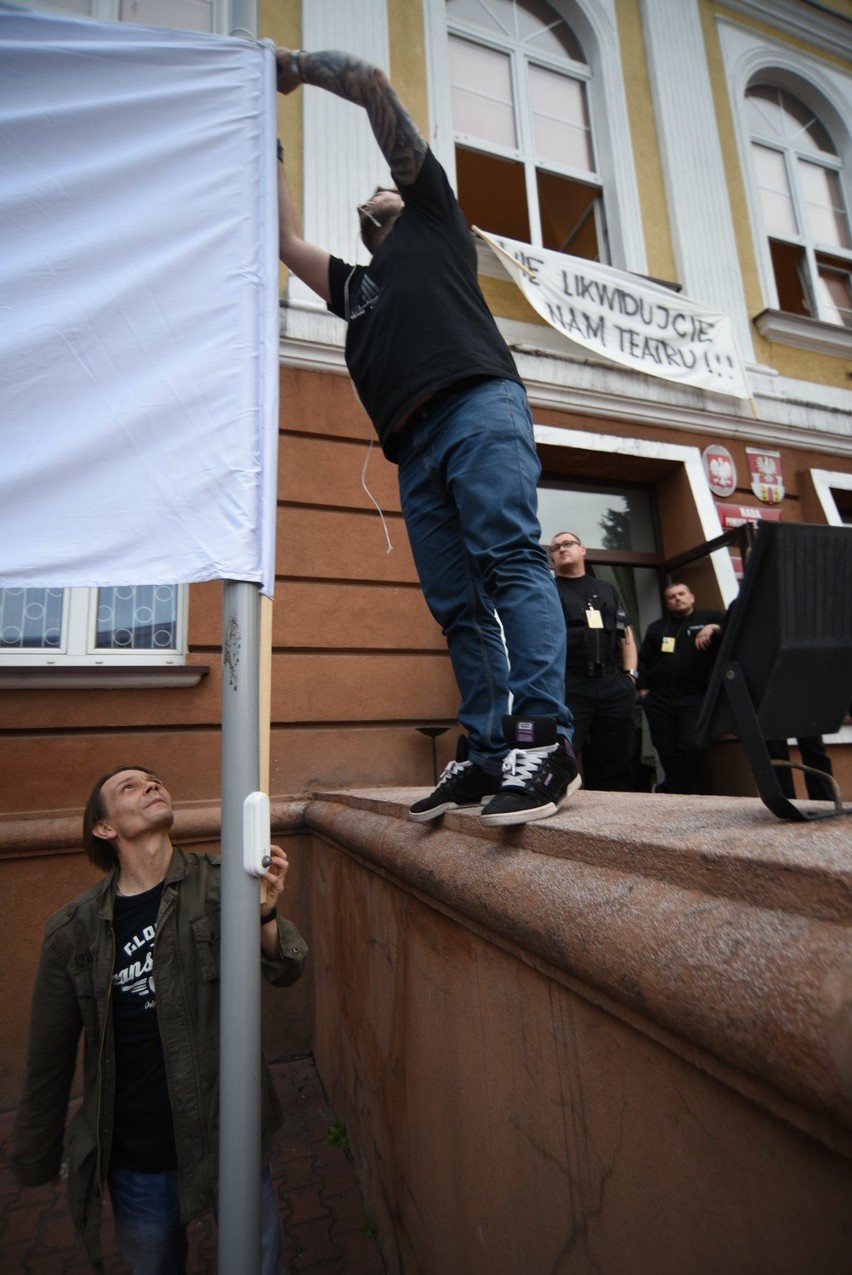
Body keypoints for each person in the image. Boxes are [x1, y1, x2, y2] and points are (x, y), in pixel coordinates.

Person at [275, 48, 579, 827]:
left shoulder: (437, 223)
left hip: (477, 404)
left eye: (382, 189)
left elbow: (376, 86)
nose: (370, 197)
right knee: (458, 607)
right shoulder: (359, 285)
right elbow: (283, 238)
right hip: (415, 448)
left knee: (510, 562)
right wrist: (262, 130)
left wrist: (297, 69)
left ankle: (543, 742)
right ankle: (486, 752)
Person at [13, 765, 307, 1274]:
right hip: (138, 1152)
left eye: (154, 780)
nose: (152, 785)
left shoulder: (222, 884)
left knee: (261, 1263)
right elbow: (49, 1056)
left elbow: (287, 968)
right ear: (104, 828)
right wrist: (36, 1156)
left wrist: (264, 912)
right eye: (130, 786)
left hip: (228, 1131)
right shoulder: (74, 931)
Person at [549, 532, 638, 790]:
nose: (562, 549)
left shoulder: (607, 590)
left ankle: (614, 817)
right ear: (552, 558)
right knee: (562, 753)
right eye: (555, 547)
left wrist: (630, 675)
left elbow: (626, 634)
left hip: (612, 683)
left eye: (568, 544)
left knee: (615, 758)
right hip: (570, 683)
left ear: (583, 550)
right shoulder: (549, 590)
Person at [636, 583, 724, 793]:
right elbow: (644, 660)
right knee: (665, 749)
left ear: (691, 597)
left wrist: (713, 628)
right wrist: (643, 692)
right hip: (659, 699)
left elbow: (734, 631)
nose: (677, 598)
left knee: (692, 745)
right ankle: (685, 794)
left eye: (681, 594)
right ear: (667, 603)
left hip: (693, 697)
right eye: (671, 597)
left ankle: (670, 788)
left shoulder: (710, 617)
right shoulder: (657, 627)